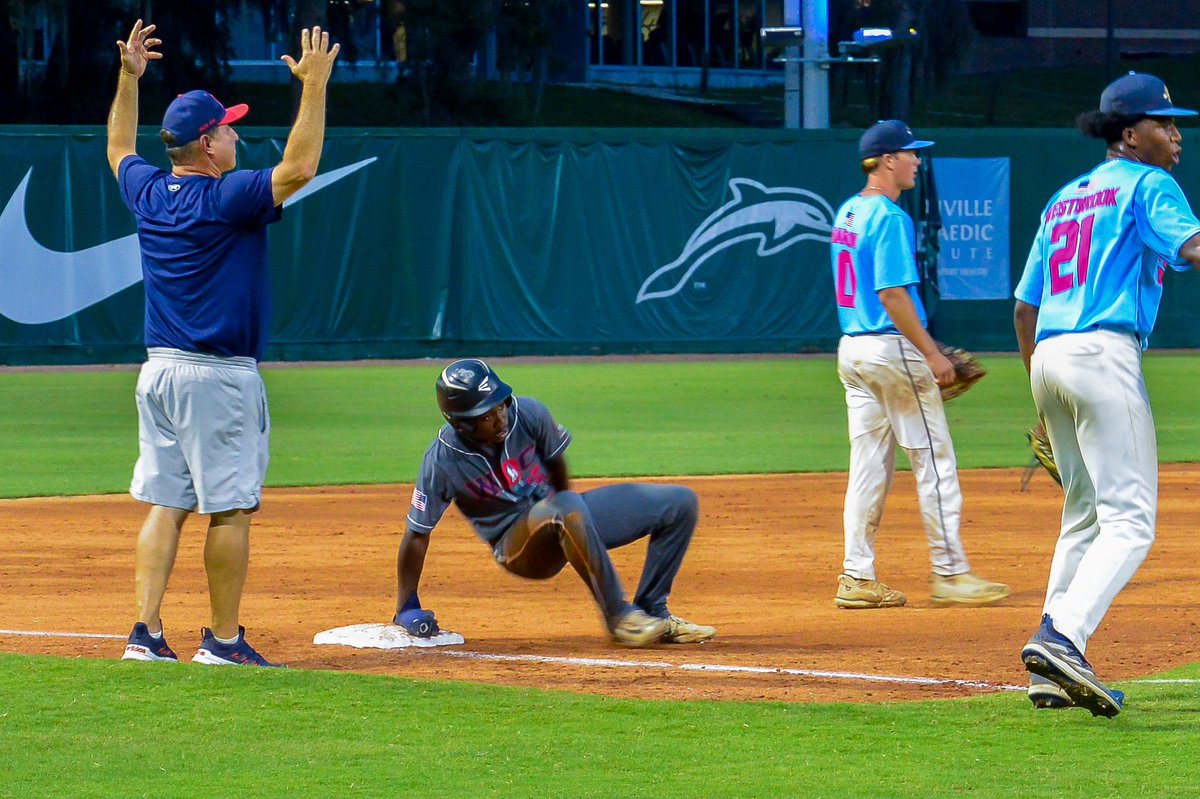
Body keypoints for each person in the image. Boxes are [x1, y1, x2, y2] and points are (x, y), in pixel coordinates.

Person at [108, 20, 339, 666]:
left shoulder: (151, 192)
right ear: (207, 143)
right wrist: (314, 89)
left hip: (157, 373)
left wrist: (128, 78)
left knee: (166, 503)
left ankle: (145, 634)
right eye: (229, 127)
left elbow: (117, 146)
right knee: (230, 509)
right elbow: (301, 167)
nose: (237, 134)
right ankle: (224, 640)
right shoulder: (228, 197)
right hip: (217, 378)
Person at [1014, 72, 1200, 717]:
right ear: (1129, 133)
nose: (1176, 135)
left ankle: (1046, 670)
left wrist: (1041, 398)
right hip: (1102, 353)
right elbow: (1194, 247)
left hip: (1050, 357)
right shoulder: (1150, 184)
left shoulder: (1064, 198)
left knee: (1085, 515)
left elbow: (1023, 307)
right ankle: (1062, 638)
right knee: (1130, 520)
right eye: (1165, 123)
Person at [393, 359, 715, 648]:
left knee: (678, 503)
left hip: (561, 513)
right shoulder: (442, 461)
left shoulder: (528, 413)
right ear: (461, 423)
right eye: (486, 415)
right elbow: (418, 534)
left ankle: (652, 612)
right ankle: (619, 618)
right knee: (564, 506)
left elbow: (556, 464)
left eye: (501, 405)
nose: (500, 417)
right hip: (518, 549)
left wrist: (575, 527)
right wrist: (407, 605)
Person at [828, 120, 1011, 611]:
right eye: (910, 153)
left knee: (868, 467)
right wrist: (930, 353)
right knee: (934, 459)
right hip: (890, 350)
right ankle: (950, 572)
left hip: (853, 351)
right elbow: (890, 293)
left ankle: (857, 576)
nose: (916, 161)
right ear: (887, 159)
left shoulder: (848, 211)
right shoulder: (888, 217)